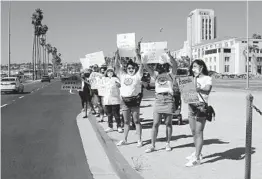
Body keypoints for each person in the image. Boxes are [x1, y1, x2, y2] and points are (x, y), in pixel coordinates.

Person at [143, 50, 178, 153]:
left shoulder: (171, 75)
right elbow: (146, 67)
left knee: (168, 123)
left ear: (167, 66)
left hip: (168, 99)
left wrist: (169, 55)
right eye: (160, 65)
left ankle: (167, 143)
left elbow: (175, 65)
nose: (162, 67)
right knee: (156, 123)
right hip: (158, 99)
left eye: (164, 65)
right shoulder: (155, 75)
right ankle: (152, 145)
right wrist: (144, 59)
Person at [185, 59, 212, 167]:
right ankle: (198, 152)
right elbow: (186, 91)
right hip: (191, 105)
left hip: (201, 106)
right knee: (193, 131)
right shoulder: (191, 78)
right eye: (192, 67)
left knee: (199, 131)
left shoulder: (207, 78)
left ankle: (196, 158)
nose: (193, 69)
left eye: (195, 66)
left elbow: (208, 89)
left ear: (201, 67)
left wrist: (198, 88)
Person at [115, 49, 144, 147]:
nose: (131, 69)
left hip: (134, 101)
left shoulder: (137, 76)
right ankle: (125, 139)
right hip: (124, 102)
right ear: (126, 69)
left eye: (132, 68)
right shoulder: (122, 76)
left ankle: (139, 140)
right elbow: (117, 66)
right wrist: (117, 56)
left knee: (136, 121)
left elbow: (141, 65)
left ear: (135, 68)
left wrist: (137, 55)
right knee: (126, 122)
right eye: (129, 68)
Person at [103, 66, 123, 133]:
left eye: (111, 71)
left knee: (116, 114)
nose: (110, 72)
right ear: (106, 72)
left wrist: (117, 84)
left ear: (113, 72)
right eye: (108, 71)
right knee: (109, 114)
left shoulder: (115, 78)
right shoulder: (104, 79)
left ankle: (119, 126)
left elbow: (120, 85)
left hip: (115, 99)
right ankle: (110, 126)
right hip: (107, 99)